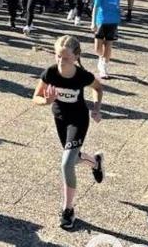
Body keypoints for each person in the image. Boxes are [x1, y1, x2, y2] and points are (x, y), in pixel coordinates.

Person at [32, 35, 104, 230]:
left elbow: (98, 88)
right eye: (58, 56)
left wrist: (96, 108)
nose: (61, 61)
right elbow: (35, 97)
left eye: (65, 58)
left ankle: (68, 209)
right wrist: (46, 101)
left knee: (66, 163)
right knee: (73, 158)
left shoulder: (82, 75)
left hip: (78, 120)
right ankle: (95, 162)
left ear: (76, 57)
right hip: (60, 120)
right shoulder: (50, 73)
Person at [92, 0, 122, 79]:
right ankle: (101, 58)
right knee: (97, 48)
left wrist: (120, 10)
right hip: (101, 20)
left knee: (109, 45)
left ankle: (103, 67)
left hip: (113, 21)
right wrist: (93, 22)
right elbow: (96, 6)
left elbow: (116, 5)